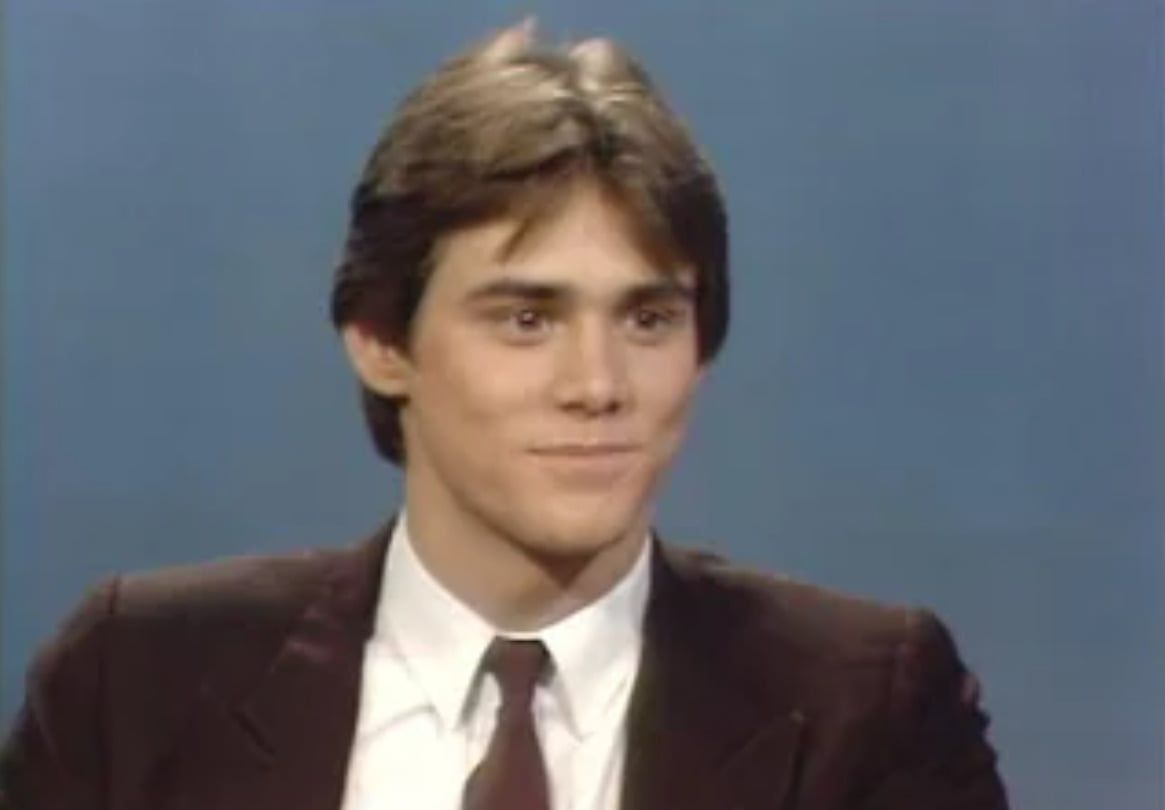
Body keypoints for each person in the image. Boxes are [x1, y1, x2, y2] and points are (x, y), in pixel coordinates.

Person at [0, 21, 1009, 810]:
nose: (596, 382)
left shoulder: (865, 705)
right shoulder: (138, 680)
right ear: (380, 341)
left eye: (649, 317)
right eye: (527, 317)